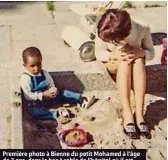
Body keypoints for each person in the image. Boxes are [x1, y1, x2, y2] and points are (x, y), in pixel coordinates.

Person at [95, 9, 155, 139]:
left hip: (136, 66)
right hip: (114, 64)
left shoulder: (141, 27)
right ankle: (127, 113)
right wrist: (113, 54)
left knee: (138, 59)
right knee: (124, 61)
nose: (112, 42)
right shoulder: (106, 27)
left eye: (115, 41)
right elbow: (99, 53)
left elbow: (151, 53)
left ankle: (139, 114)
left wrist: (142, 53)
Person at [20, 47, 95, 121]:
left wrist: (53, 89)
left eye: (39, 64)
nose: (36, 68)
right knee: (34, 112)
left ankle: (82, 99)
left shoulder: (44, 73)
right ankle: (57, 113)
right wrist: (42, 94)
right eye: (32, 66)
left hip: (48, 98)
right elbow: (28, 96)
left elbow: (51, 84)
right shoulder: (26, 78)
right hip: (35, 103)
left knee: (62, 93)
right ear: (25, 65)